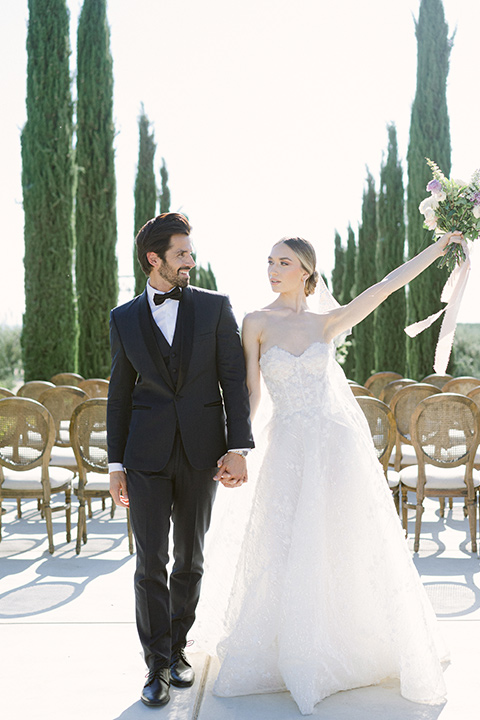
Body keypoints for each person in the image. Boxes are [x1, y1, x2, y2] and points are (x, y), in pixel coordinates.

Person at [207, 231, 462, 715]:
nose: (273, 269)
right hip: (287, 447)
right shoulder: (256, 321)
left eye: (283, 262)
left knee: (342, 542)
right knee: (286, 543)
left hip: (335, 449)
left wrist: (439, 249)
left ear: (306, 271)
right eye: (269, 261)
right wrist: (237, 446)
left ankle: (350, 643)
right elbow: (251, 393)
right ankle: (294, 649)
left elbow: (387, 286)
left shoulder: (328, 322)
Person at [107, 212, 254, 708]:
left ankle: (176, 650)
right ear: (156, 260)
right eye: (182, 254)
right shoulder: (123, 318)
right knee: (150, 562)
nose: (191, 260)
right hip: (144, 456)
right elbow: (119, 396)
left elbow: (233, 379)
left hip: (201, 452)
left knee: (189, 559)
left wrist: (238, 446)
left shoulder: (215, 308)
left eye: (190, 252)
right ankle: (155, 666)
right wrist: (114, 465)